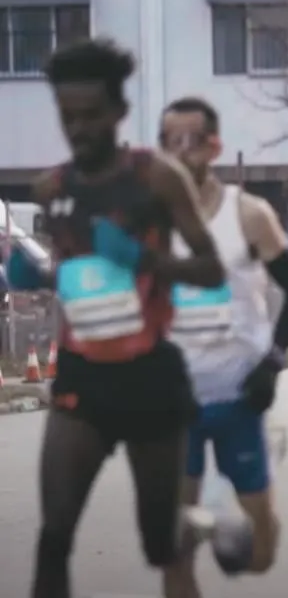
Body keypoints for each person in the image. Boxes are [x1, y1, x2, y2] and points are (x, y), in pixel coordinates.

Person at [5, 38, 226, 598]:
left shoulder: (157, 179)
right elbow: (83, 275)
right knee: (53, 537)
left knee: (160, 547)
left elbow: (210, 269)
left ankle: (186, 532)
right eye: (67, 116)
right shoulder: (51, 188)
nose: (78, 129)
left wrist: (144, 258)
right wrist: (41, 277)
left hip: (150, 377)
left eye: (91, 116)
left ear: (119, 113)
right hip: (83, 376)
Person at [154, 97, 288, 597]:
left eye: (189, 141)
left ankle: (234, 515)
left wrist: (274, 361)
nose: (178, 153)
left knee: (258, 554)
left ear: (213, 147)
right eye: (168, 143)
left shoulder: (249, 215)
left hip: (240, 395)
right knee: (173, 549)